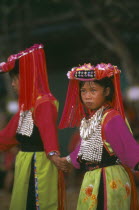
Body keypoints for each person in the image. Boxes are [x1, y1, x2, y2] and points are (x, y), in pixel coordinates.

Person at [59, 63, 139, 209]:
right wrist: (67, 160)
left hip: (109, 181)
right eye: (83, 91)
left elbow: (129, 149)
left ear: (107, 91)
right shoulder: (91, 118)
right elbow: (85, 147)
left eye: (93, 90)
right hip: (92, 178)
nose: (87, 96)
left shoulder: (111, 117)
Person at [0, 44, 66, 210]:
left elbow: (48, 131)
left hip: (40, 165)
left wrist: (53, 154)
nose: (13, 85)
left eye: (15, 79)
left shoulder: (44, 103)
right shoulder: (26, 107)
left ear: (27, 78)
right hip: (25, 164)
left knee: (38, 204)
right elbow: (7, 136)